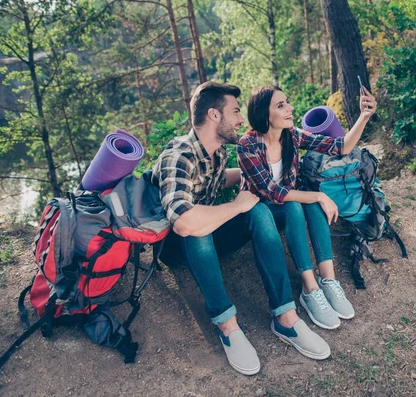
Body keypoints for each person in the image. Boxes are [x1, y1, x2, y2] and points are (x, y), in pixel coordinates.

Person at [152, 81, 331, 376]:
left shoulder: (218, 152)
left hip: (212, 233)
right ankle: (227, 325)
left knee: (258, 210)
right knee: (200, 230)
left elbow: (217, 180)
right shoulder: (178, 155)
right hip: (178, 246)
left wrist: (255, 180)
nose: (240, 119)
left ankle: (286, 318)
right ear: (214, 115)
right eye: (235, 112)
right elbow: (182, 222)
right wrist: (236, 206)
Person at [237, 85, 376, 330]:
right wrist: (317, 196)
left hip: (287, 204)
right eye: (280, 105)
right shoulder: (247, 144)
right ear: (263, 115)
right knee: (301, 203)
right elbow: (272, 191)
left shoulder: (291, 135)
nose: (290, 108)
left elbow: (340, 146)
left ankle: (328, 280)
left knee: (308, 204)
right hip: (260, 211)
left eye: (286, 102)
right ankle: (309, 288)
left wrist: (364, 116)